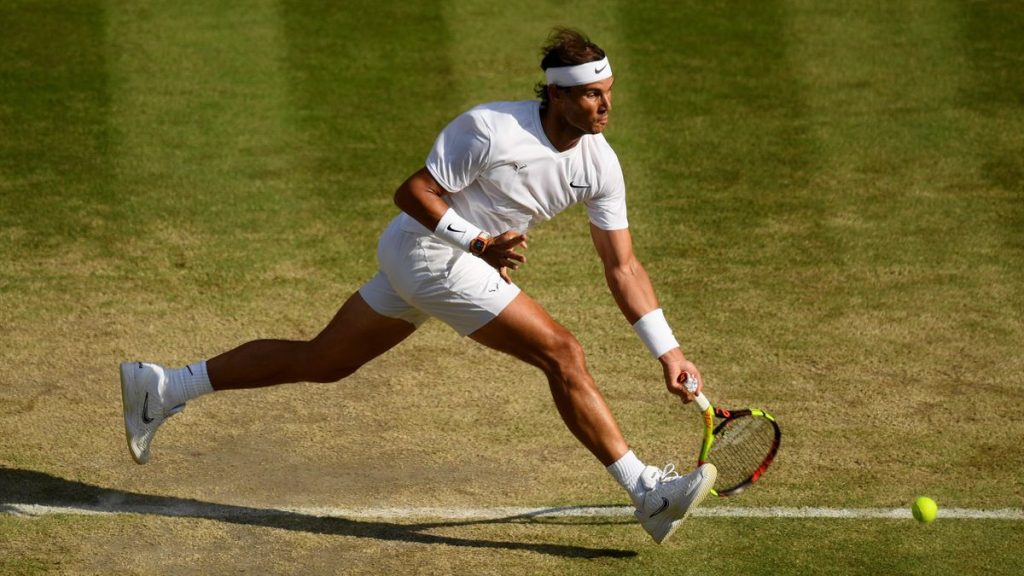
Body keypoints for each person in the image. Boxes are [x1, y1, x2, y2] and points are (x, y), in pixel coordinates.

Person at [119, 27, 716, 544]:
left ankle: (165, 387)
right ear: (557, 93)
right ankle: (645, 490)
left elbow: (623, 268)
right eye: (591, 95)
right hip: (431, 252)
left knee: (324, 360)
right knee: (563, 352)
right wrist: (479, 244)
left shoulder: (600, 163)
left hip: (438, 262)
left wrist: (669, 352)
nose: (605, 106)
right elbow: (413, 193)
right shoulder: (489, 128)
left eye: (608, 93)